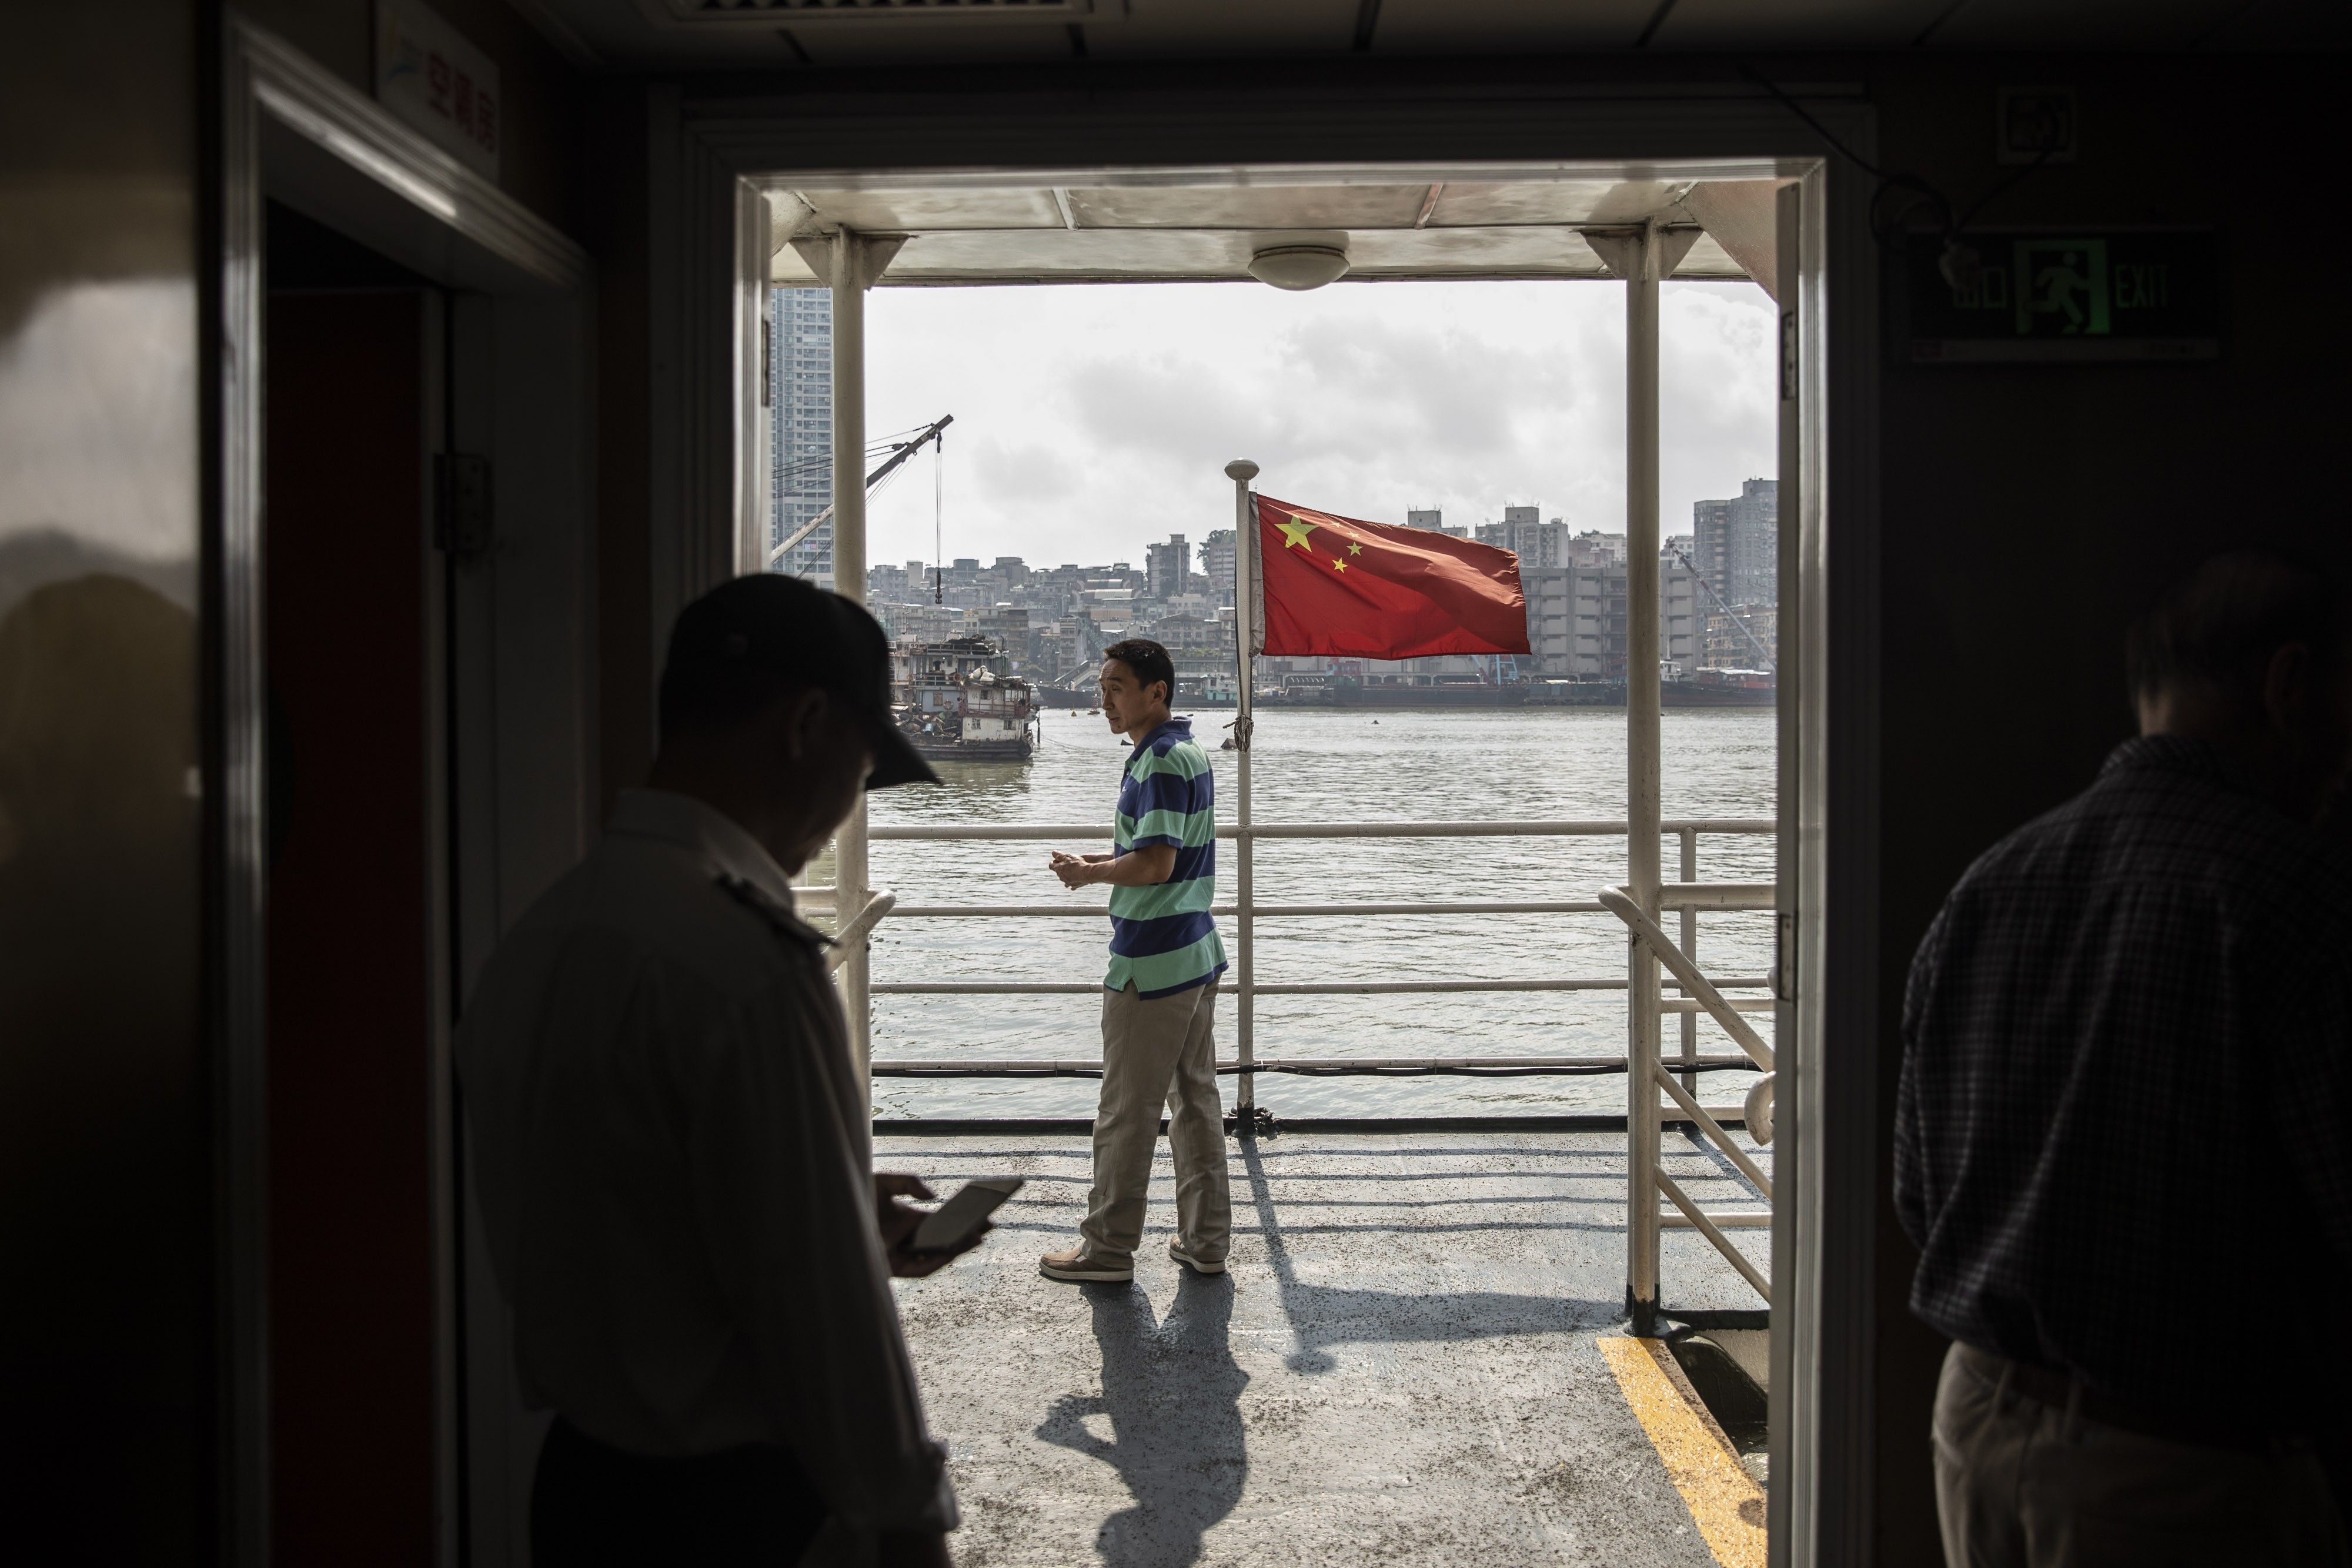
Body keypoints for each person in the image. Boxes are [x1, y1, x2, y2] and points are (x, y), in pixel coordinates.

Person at [457, 574, 973, 1568]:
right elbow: (835, 1337)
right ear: (808, 723)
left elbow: (615, 1200)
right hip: (731, 1509)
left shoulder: (547, 931)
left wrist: (825, 1199)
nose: (848, 810)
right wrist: (909, 1526)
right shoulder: (745, 963)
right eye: (863, 772)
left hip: (583, 1487)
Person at [1895, 553, 2352, 1568]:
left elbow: (1924, 1197)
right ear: (2288, 686)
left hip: (1974, 1414)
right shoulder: (2300, 899)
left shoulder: (1990, 881)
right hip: (2188, 1465)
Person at [1040, 638, 1233, 1285]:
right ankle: (1205, 1241)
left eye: (1117, 687)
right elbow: (1166, 856)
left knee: (1126, 1110)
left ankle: (1108, 1248)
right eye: (1102, 688)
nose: (1104, 701)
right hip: (1195, 950)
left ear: (1158, 692)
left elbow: (1155, 863)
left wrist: (1088, 872)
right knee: (1197, 1102)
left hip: (1151, 962)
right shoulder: (1190, 752)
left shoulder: (1156, 763)